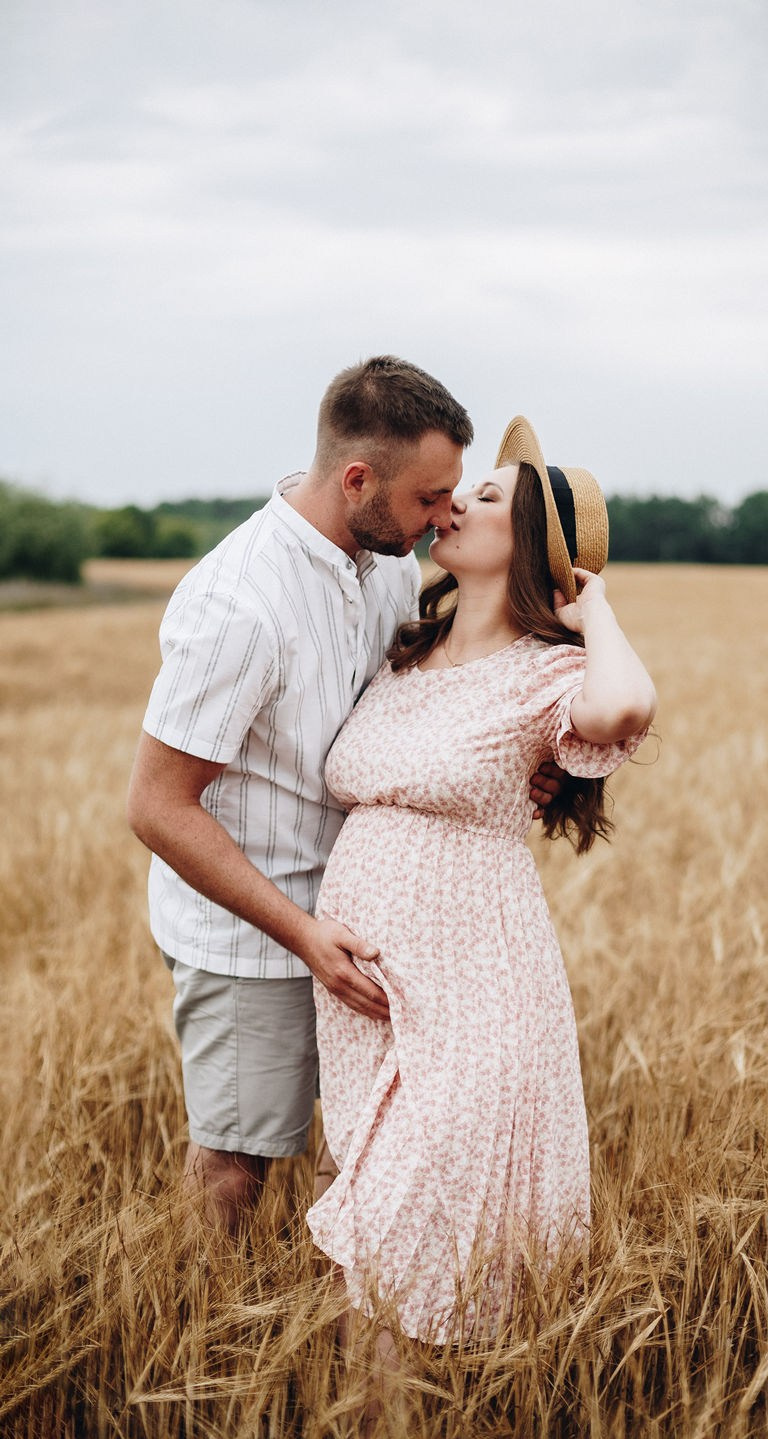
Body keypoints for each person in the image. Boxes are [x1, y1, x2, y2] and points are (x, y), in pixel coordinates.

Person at [126, 357, 560, 1233]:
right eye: (431, 497)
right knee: (237, 1167)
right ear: (358, 479)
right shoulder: (240, 603)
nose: (447, 515)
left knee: (375, 1150)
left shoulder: (389, 563)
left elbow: (424, 703)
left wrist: (520, 763)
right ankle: (206, 1337)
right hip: (260, 931)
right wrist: (303, 936)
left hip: (372, 932)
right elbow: (157, 806)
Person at [306, 416, 657, 1360]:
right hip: (370, 995)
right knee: (374, 1252)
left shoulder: (548, 674)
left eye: (489, 496)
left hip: (478, 997)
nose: (457, 501)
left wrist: (595, 611)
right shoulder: (400, 650)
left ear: (535, 547)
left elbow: (622, 709)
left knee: (414, 1241)